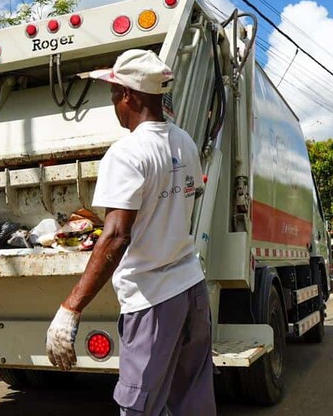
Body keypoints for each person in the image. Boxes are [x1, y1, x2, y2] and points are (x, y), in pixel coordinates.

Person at [45, 49, 213, 415]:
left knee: (139, 407)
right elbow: (182, 201)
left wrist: (70, 309)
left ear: (129, 96)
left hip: (152, 300)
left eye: (113, 95)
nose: (113, 105)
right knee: (190, 401)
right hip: (191, 290)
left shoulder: (126, 153)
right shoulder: (184, 141)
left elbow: (117, 235)